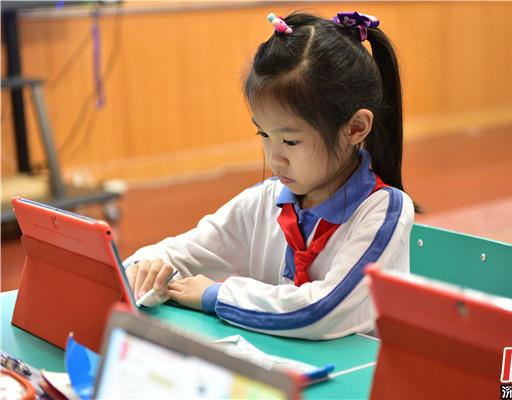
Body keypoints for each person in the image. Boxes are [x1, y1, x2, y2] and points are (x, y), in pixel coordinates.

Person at [124, 11, 415, 340]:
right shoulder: (266, 200)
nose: (274, 158)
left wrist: (216, 295)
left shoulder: (383, 211)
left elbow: (320, 312)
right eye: (264, 134)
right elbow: (182, 252)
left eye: (290, 141)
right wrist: (147, 266)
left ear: (355, 128)